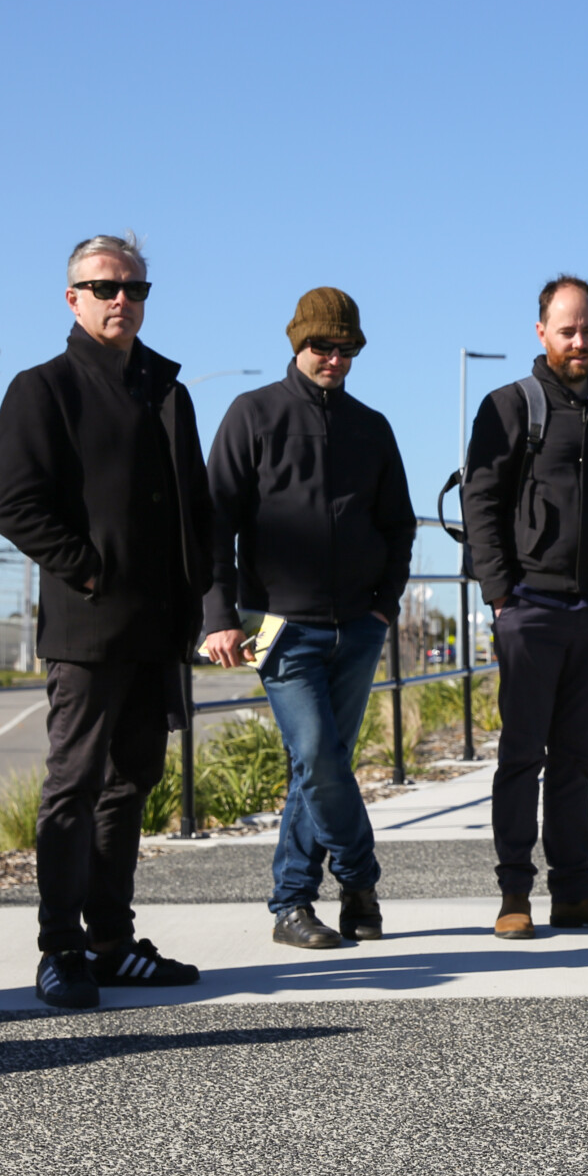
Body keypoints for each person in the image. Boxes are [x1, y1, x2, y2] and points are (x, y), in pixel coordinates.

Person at [0, 233, 212, 1009]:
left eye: (136, 289)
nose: (123, 301)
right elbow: (16, 508)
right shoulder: (43, 389)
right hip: (87, 630)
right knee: (74, 787)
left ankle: (113, 942)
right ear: (73, 298)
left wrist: (205, 604)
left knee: (128, 789)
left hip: (158, 632)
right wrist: (92, 570)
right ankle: (62, 949)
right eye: (106, 288)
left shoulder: (168, 391)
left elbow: (200, 512)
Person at [202, 287, 416, 950]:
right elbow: (215, 524)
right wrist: (219, 615)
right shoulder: (253, 414)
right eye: (323, 346)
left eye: (347, 348)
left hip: (358, 625)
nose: (335, 358)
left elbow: (399, 526)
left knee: (318, 765)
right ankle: (358, 879)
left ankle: (293, 904)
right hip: (279, 626)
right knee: (320, 756)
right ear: (297, 343)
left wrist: (384, 604)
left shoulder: (372, 426)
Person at [460, 276, 588, 940]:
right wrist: (500, 591)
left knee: (576, 759)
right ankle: (515, 894)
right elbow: (480, 502)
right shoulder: (511, 406)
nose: (579, 341)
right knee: (521, 755)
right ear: (541, 331)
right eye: (567, 329)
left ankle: (575, 890)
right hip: (531, 606)